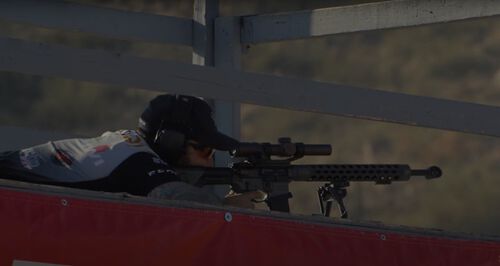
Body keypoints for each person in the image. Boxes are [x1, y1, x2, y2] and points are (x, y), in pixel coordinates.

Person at [0, 94, 264, 208]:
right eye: (204, 151)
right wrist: (230, 206)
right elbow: (177, 198)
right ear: (171, 141)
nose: (208, 163)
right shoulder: (137, 160)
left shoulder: (127, 144)